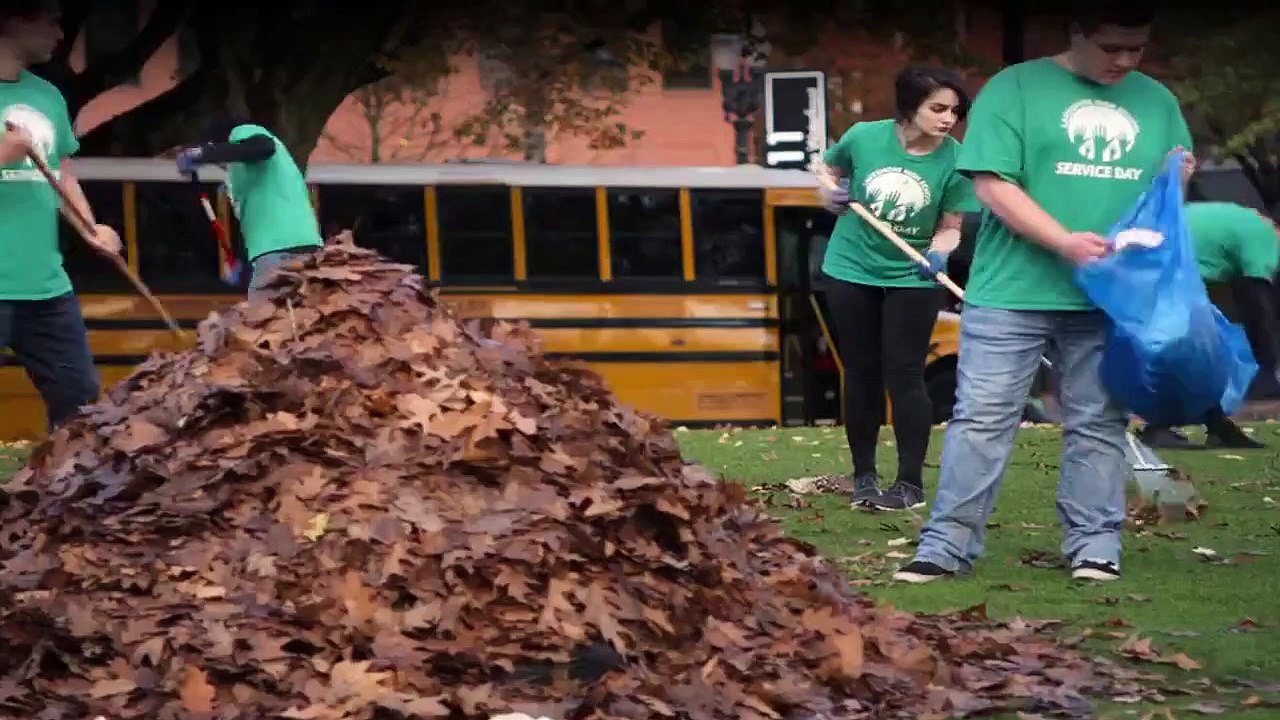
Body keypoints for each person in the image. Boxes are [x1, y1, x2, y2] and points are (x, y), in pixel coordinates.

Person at [894, 0, 1196, 584]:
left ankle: (1094, 547)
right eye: (1111, 47)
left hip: (1110, 297)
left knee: (1099, 422)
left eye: (1137, 48)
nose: (1125, 60)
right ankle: (945, 547)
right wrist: (1064, 241)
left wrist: (1174, 186)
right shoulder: (1016, 88)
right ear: (1077, 31)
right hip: (1012, 292)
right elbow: (990, 185)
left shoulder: (1157, 100)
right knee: (982, 419)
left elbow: (1167, 190)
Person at [816, 66, 977, 511]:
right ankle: (864, 477)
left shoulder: (956, 160)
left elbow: (950, 227)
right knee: (861, 372)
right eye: (938, 108)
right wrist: (828, 195)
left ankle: (909, 485)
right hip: (850, 267)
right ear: (910, 107)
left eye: (955, 111)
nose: (948, 118)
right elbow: (826, 169)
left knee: (905, 374)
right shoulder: (865, 137)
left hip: (913, 273)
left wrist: (940, 254)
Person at [1, 0, 123, 431]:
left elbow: (61, 173)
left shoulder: (46, 95)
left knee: (79, 404)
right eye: (51, 21)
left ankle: (63, 496)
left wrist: (92, 229)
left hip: (46, 286)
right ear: (14, 19)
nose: (59, 34)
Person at [1136, 201, 1280, 450]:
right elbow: (1256, 296)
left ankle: (1217, 425)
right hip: (1165, 273)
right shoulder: (1266, 236)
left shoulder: (1243, 219)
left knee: (1209, 353)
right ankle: (1159, 427)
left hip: (1152, 264)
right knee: (1183, 356)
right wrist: (1268, 361)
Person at [174, 115, 323, 301]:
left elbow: (263, 146)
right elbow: (254, 221)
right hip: (301, 248)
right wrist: (243, 264)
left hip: (278, 252)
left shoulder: (243, 132)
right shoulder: (247, 175)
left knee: (262, 321)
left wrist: (204, 154)